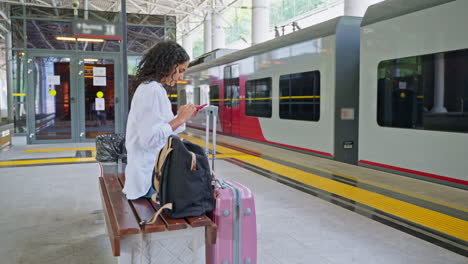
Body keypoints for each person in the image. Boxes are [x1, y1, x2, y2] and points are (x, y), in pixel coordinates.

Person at [123, 41, 197, 200]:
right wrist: (179, 119)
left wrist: (183, 116)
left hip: (152, 172)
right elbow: (149, 140)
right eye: (181, 71)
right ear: (171, 66)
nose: (181, 77)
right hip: (148, 180)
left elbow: (170, 128)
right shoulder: (151, 90)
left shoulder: (154, 88)